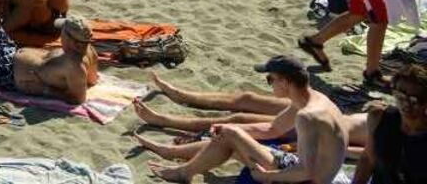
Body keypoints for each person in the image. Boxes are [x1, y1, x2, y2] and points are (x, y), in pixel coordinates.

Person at [140, 56, 350, 183]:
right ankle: (182, 169)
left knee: (232, 135)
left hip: (315, 180)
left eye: (271, 79)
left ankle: (182, 172)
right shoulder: (313, 99)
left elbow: (307, 171)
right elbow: (271, 129)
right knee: (230, 135)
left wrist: (268, 177)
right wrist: (227, 127)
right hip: (326, 173)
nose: (270, 84)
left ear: (285, 82)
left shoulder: (307, 116)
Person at [356, 62, 427, 183]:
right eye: (400, 96)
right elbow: (367, 159)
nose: (406, 104)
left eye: (414, 100)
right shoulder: (378, 118)